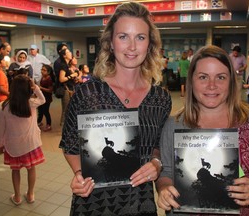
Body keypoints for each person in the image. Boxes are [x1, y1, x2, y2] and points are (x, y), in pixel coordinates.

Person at [59, 2, 172, 215]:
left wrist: (156, 163)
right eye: (123, 37)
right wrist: (78, 174)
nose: (132, 47)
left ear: (150, 44)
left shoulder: (161, 99)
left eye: (140, 37)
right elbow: (70, 145)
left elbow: (158, 145)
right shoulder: (87, 94)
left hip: (141, 204)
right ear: (111, 43)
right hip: (95, 202)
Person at [155, 45, 249, 216]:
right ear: (191, 81)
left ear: (231, 81)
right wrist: (163, 188)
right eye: (203, 77)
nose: (212, 86)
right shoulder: (174, 125)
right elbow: (167, 171)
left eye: (220, 77)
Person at [0, 74, 46, 205]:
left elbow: (2, 128)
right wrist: (35, 87)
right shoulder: (31, 103)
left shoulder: (3, 106)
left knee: (15, 170)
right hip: (30, 144)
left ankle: (17, 197)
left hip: (13, 145)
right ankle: (30, 194)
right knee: (31, 169)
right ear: (27, 89)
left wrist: (0, 144)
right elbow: (43, 99)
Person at [58, 49, 80, 125]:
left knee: (70, 107)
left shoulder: (67, 65)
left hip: (70, 88)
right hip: (65, 89)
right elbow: (61, 79)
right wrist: (71, 76)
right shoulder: (63, 65)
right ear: (64, 56)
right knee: (66, 108)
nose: (71, 53)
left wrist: (75, 77)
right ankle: (63, 125)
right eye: (68, 52)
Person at [37, 64, 54, 131]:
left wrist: (41, 88)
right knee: (40, 110)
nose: (42, 71)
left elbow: (50, 90)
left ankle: (49, 125)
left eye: (44, 70)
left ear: (48, 72)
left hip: (47, 98)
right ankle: (39, 122)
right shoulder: (43, 77)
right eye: (42, 69)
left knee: (46, 111)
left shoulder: (49, 79)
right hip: (42, 97)